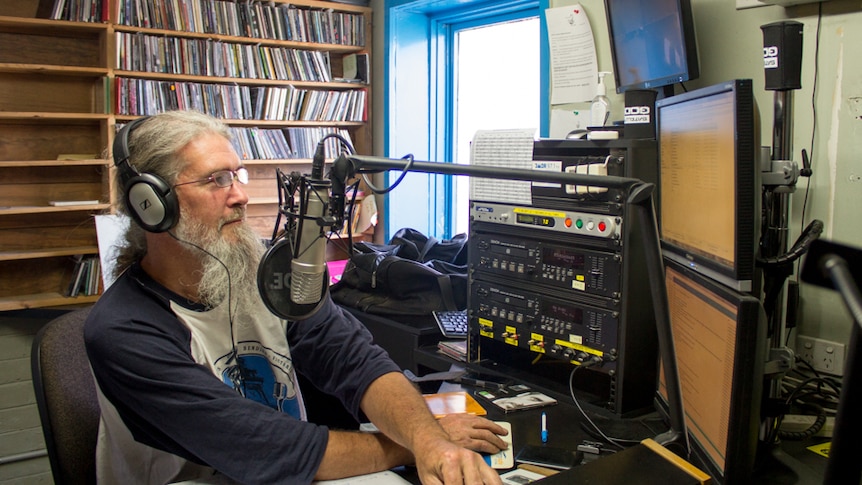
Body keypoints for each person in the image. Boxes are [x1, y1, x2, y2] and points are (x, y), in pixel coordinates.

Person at [84, 110, 508, 485]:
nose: (241, 195)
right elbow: (258, 449)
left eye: (237, 175)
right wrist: (417, 444)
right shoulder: (124, 329)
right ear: (151, 204)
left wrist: (427, 438)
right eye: (217, 180)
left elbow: (355, 358)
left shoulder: (269, 280)